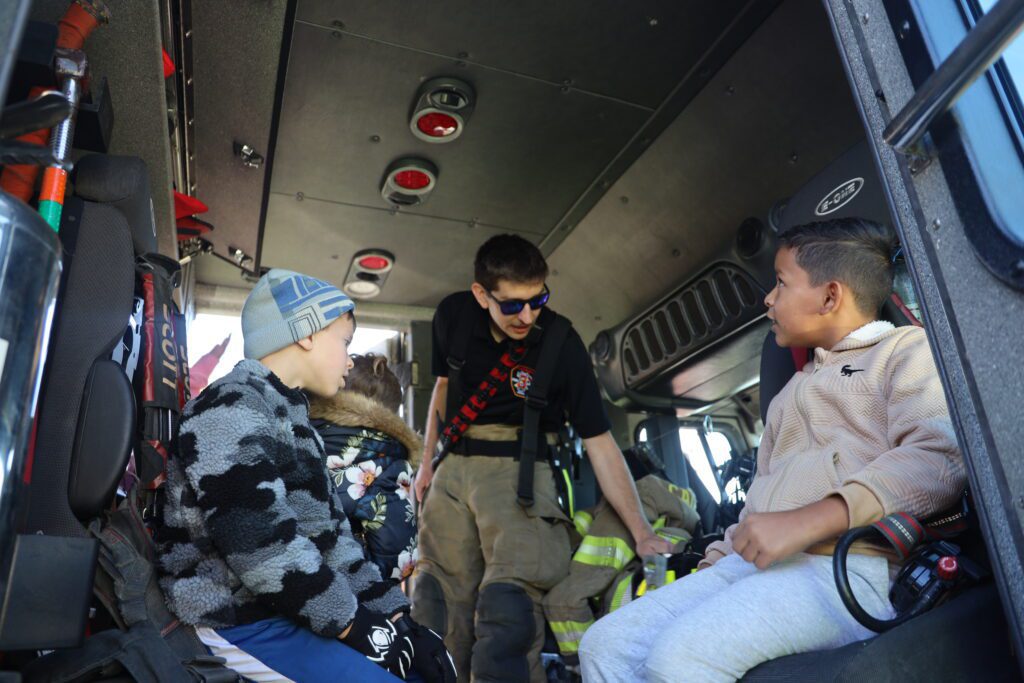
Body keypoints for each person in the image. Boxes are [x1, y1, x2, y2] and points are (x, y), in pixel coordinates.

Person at [578, 218, 966, 682]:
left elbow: (938, 459)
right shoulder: (787, 396)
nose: (768, 298)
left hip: (849, 567)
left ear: (829, 297)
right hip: (754, 567)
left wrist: (809, 520)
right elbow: (757, 508)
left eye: (780, 283)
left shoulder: (903, 352)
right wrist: (711, 569)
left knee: (679, 660)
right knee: (603, 645)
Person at [155, 269, 452, 683]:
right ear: (307, 333)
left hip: (284, 607)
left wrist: (400, 619)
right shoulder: (230, 406)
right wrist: (357, 627)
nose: (351, 359)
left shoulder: (296, 422)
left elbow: (332, 542)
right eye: (344, 342)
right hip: (231, 616)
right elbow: (261, 548)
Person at [411, 234, 672, 682]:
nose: (527, 316)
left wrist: (643, 533)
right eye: (512, 305)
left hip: (521, 477)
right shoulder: (453, 315)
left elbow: (600, 441)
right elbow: (443, 388)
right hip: (452, 474)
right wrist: (426, 463)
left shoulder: (561, 343)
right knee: (436, 608)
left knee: (507, 617)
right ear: (481, 295)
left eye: (537, 300)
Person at [310, 354, 421, 585]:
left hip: (289, 578)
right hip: (347, 592)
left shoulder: (300, 435)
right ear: (390, 415)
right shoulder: (388, 460)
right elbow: (398, 558)